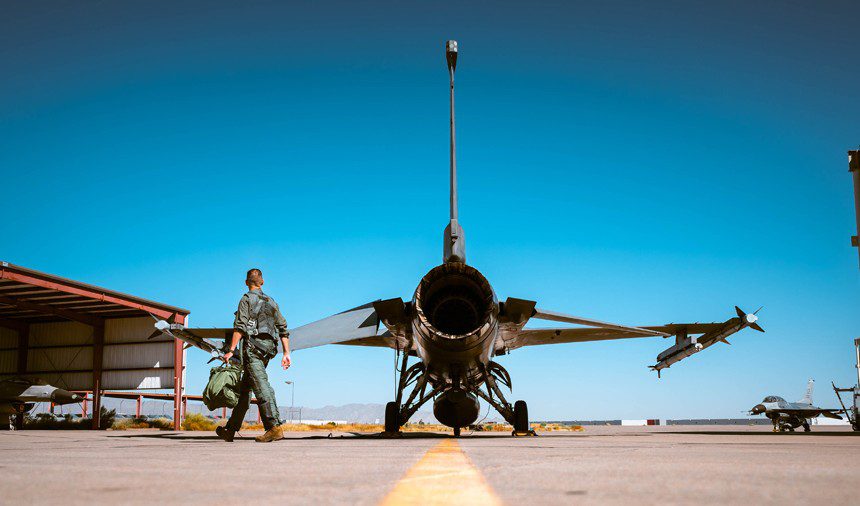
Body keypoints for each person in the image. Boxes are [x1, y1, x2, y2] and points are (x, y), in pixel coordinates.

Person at [216, 268, 292, 443]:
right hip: (268, 351)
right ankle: (230, 429)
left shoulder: (246, 299)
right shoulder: (272, 302)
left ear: (246, 282)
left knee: (261, 386)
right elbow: (283, 328)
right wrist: (286, 353)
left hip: (253, 351)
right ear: (262, 282)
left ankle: (273, 427)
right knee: (245, 391)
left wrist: (230, 349)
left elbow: (240, 327)